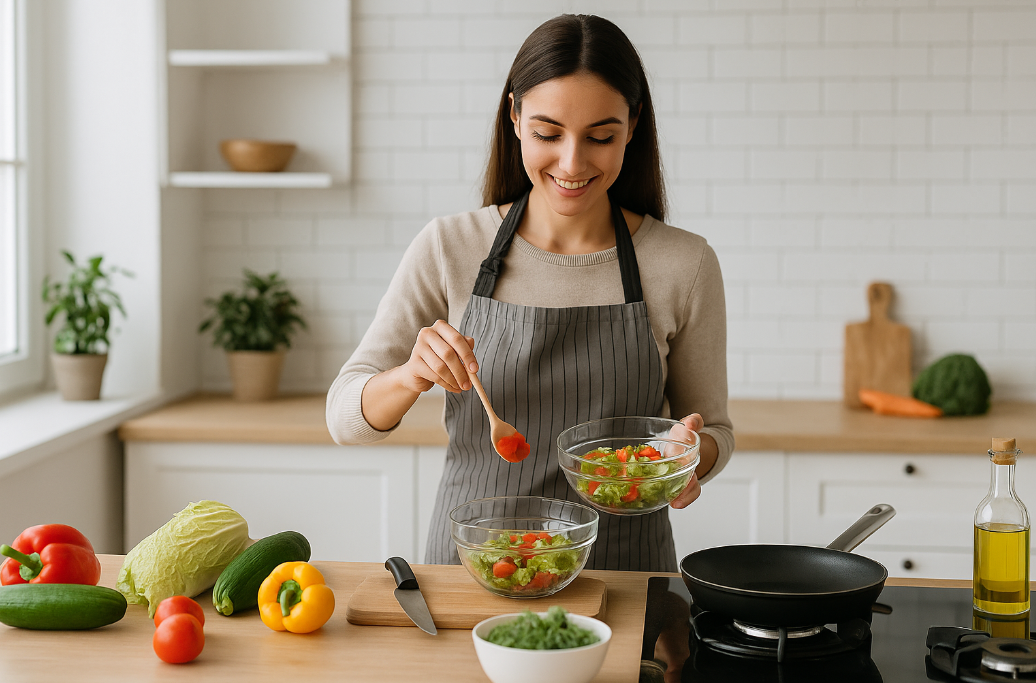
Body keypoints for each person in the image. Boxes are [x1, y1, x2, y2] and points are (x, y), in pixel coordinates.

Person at [326, 14, 734, 573]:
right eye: (548, 134)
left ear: (632, 126)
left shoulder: (684, 263)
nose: (572, 163)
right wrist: (410, 376)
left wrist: (687, 458)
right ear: (515, 117)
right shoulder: (450, 246)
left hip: (624, 577)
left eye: (601, 137)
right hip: (473, 574)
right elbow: (344, 418)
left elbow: (714, 431)